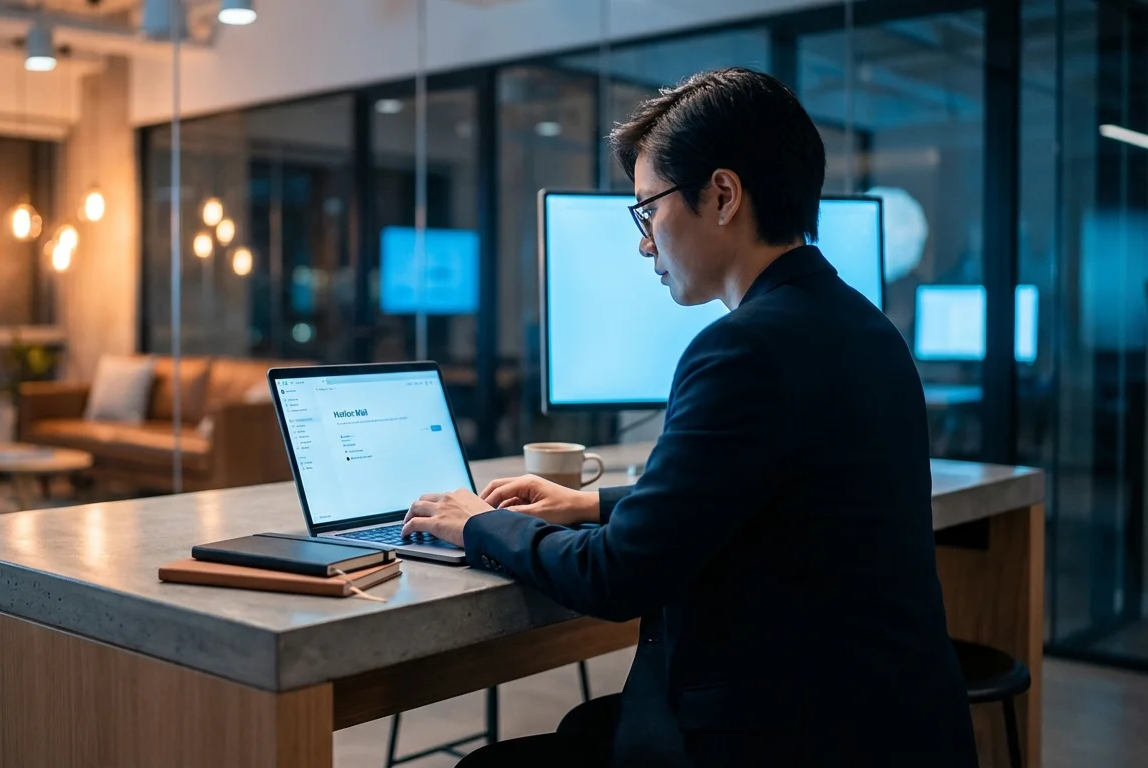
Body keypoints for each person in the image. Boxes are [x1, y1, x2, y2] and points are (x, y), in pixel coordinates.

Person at [401, 68, 978, 767]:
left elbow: (618, 579)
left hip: (784, 739)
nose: (645, 242)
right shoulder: (863, 326)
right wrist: (589, 504)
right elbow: (760, 499)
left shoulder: (744, 349)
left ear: (723, 195)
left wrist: (480, 524)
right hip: (888, 726)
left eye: (649, 209)